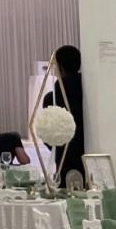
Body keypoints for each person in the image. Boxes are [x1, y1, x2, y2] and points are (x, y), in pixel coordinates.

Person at [42, 44, 85, 185]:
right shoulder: (90, 92)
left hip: (65, 160)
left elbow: (47, 136)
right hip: (91, 158)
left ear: (59, 67)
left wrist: (59, 149)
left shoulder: (52, 98)